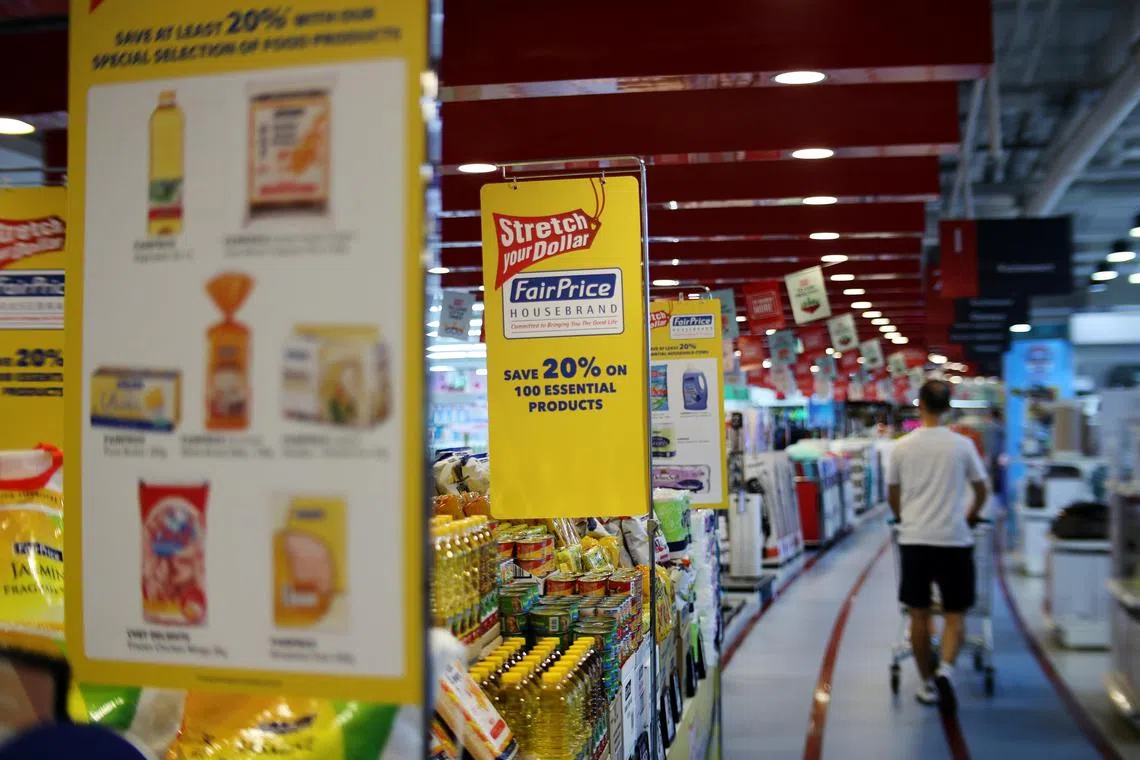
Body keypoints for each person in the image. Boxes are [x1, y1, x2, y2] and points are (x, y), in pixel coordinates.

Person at [888, 379, 988, 715]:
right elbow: (982, 489)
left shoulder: (902, 447)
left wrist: (904, 518)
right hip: (953, 539)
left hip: (915, 539)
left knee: (918, 614)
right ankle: (945, 669)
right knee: (954, 613)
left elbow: (893, 494)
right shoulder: (962, 446)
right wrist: (970, 517)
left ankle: (927, 684)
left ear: (919, 404)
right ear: (948, 407)